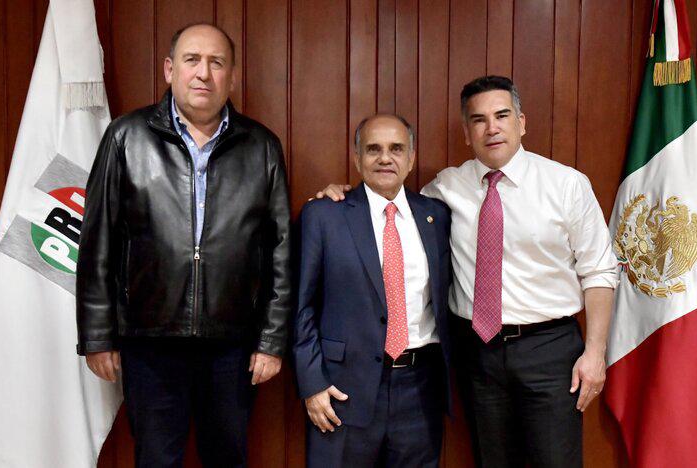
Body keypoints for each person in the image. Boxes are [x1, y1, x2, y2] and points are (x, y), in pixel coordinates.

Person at [317, 76, 618, 467]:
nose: (491, 128)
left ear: (521, 123)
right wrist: (344, 198)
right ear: (466, 132)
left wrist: (595, 353)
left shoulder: (566, 185)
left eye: (502, 116)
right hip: (479, 354)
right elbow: (390, 204)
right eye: (479, 120)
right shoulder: (445, 188)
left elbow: (599, 271)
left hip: (549, 351)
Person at [76, 23, 291, 467]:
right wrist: (97, 336)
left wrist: (271, 340)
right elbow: (98, 242)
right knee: (156, 460)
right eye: (192, 60)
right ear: (170, 70)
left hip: (233, 346)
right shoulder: (126, 137)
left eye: (217, 62)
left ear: (232, 76)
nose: (203, 73)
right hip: (149, 343)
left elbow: (280, 252)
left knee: (227, 459)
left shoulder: (262, 147)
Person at [294, 114, 453, 467]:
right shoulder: (324, 215)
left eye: (396, 149)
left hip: (420, 390)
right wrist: (312, 384)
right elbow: (301, 306)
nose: (385, 158)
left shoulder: (436, 216)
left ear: (411, 158)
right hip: (341, 391)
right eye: (373, 149)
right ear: (356, 158)